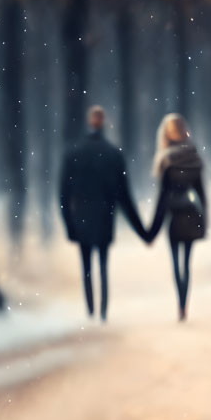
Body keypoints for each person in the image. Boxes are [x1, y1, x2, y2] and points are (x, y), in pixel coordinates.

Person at [59, 105, 147, 321]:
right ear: (103, 122)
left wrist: (69, 225)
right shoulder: (113, 154)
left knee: (86, 266)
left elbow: (63, 194)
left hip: (81, 220)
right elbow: (124, 197)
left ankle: (90, 311)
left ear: (89, 122)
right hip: (104, 219)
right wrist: (143, 232)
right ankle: (103, 312)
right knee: (103, 265)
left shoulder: (73, 153)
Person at [145, 113, 207, 321]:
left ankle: (179, 304)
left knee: (175, 263)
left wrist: (152, 231)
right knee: (187, 263)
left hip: (174, 219)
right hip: (191, 217)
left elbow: (162, 199)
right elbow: (202, 195)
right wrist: (203, 222)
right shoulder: (194, 158)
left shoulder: (166, 160)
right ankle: (184, 305)